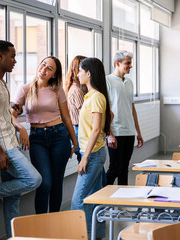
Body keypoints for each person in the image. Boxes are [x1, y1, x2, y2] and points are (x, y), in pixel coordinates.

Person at [0, 40, 42, 238]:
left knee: (13, 198)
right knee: (33, 179)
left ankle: (12, 237)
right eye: (12, 56)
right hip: (4, 147)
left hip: (10, 142)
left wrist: (14, 111)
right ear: (0, 57)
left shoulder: (1, 83)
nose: (15, 61)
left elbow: (0, 115)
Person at [12, 56, 78, 214]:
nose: (44, 69)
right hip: (37, 138)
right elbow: (11, 115)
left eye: (50, 68)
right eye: (43, 65)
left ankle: (54, 221)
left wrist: (74, 143)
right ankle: (41, 224)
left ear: (54, 75)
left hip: (59, 136)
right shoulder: (25, 89)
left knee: (56, 184)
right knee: (44, 183)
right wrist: (21, 128)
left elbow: (67, 118)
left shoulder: (57, 90)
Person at [71, 57, 111, 240]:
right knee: (94, 198)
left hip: (93, 154)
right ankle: (97, 236)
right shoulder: (92, 96)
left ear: (88, 73)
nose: (77, 74)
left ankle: (81, 236)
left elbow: (96, 128)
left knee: (78, 200)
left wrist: (85, 157)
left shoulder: (96, 97)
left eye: (80, 71)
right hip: (93, 152)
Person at [105, 50, 143, 185]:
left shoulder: (129, 82)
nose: (130, 66)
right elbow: (105, 110)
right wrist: (109, 134)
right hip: (116, 131)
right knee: (114, 169)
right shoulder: (107, 81)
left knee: (124, 169)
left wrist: (138, 132)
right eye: (127, 63)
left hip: (129, 132)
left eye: (130, 63)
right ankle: (101, 200)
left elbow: (131, 108)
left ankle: (122, 201)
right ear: (117, 63)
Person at [64, 55, 87, 163]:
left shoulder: (79, 88)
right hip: (80, 129)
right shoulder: (77, 89)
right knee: (86, 165)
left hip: (80, 128)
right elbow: (86, 113)